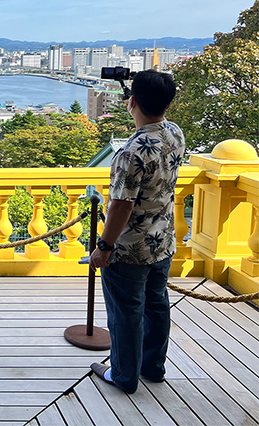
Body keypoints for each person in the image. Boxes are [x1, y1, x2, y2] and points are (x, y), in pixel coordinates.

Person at [89, 70, 185, 394]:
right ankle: (153, 367)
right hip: (163, 240)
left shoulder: (132, 151)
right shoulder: (175, 134)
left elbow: (120, 206)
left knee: (125, 313)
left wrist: (104, 246)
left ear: (132, 102)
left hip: (130, 249)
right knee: (157, 304)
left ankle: (124, 375)